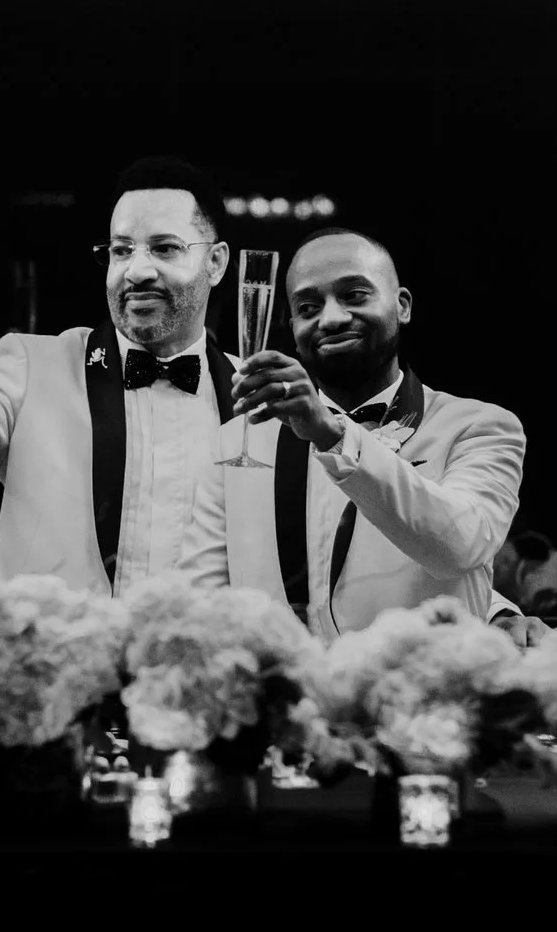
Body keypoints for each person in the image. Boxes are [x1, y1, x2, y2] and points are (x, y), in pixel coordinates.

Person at [0, 156, 236, 594]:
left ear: (215, 262)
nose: (136, 271)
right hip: (45, 656)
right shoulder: (32, 366)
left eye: (165, 248)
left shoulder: (253, 396)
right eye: (121, 250)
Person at [181, 227, 538, 643]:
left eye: (354, 295)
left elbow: (459, 548)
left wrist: (332, 434)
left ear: (401, 306)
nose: (330, 319)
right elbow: (200, 603)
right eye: (308, 306)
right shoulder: (234, 446)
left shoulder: (479, 426)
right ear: (292, 325)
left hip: (425, 696)